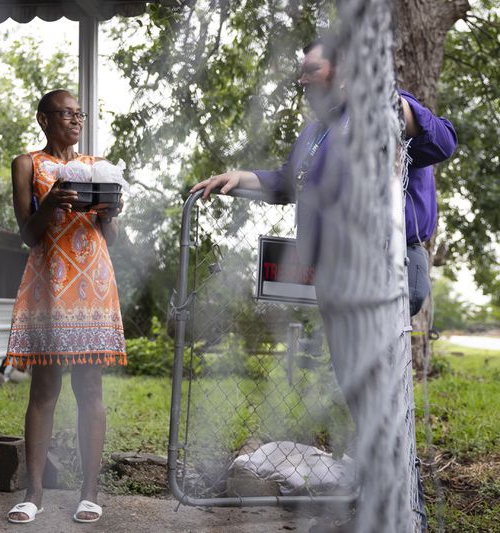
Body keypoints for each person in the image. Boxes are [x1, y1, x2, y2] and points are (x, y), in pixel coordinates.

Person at [191, 37, 456, 530]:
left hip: (387, 268)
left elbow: (442, 142)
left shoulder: (386, 108)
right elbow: (287, 183)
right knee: (363, 393)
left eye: (311, 69)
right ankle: (383, 500)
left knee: (381, 392)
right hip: (337, 276)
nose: (302, 78)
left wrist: (394, 103)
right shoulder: (316, 132)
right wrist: (238, 176)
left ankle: (401, 507)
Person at [5, 89, 126, 524]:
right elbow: (27, 233)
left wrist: (109, 215)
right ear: (43, 119)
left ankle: (89, 493)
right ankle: (33, 493)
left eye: (80, 114)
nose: (75, 121)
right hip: (50, 284)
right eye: (66, 114)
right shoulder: (28, 164)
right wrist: (52, 202)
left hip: (92, 285)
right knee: (44, 389)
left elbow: (107, 238)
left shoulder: (97, 167)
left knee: (89, 389)